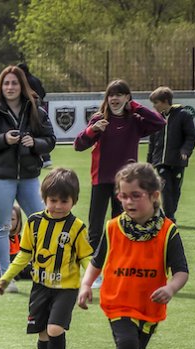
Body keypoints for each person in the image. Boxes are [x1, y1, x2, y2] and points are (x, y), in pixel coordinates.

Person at [77, 163, 188, 349]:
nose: (128, 202)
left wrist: (170, 288)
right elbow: (96, 262)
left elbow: (181, 272)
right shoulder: (113, 227)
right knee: (127, 347)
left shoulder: (168, 231)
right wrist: (85, 285)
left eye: (136, 195)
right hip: (118, 303)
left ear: (154, 195)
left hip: (149, 308)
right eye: (123, 196)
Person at [0, 168, 94, 349]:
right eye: (53, 200)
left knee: (54, 329)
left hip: (66, 289)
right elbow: (24, 254)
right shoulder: (34, 222)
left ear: (74, 200)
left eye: (64, 201)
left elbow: (86, 257)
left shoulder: (77, 227)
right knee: (42, 332)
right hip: (40, 286)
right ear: (44, 198)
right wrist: (5, 278)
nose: (58, 206)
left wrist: (91, 281)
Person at [0, 65, 55, 281]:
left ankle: (43, 269)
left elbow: (50, 140)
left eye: (14, 83)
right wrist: (3, 139)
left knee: (42, 223)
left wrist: (34, 143)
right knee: (2, 227)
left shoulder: (35, 109)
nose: (10, 87)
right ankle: (6, 276)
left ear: (22, 85)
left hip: (28, 176)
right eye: (6, 83)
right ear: (1, 86)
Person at [74, 80, 165, 262]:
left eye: (119, 94)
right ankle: (93, 267)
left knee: (122, 224)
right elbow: (78, 145)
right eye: (111, 95)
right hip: (101, 180)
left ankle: (119, 261)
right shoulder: (100, 119)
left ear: (127, 97)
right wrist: (92, 130)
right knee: (95, 228)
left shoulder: (135, 120)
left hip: (126, 184)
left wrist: (136, 107)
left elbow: (160, 122)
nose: (114, 98)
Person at [147, 86, 195, 223]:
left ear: (165, 101)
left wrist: (185, 151)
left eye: (156, 103)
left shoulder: (183, 115)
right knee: (165, 188)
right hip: (160, 162)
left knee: (175, 190)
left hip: (177, 161)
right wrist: (149, 161)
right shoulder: (156, 118)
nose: (154, 106)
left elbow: (191, 136)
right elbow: (152, 141)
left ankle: (170, 213)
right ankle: (169, 218)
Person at [16, 63, 52, 169]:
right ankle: (46, 158)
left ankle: (43, 158)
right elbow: (43, 93)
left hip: (31, 109)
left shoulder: (25, 81)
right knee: (40, 132)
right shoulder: (36, 80)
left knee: (31, 133)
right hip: (40, 106)